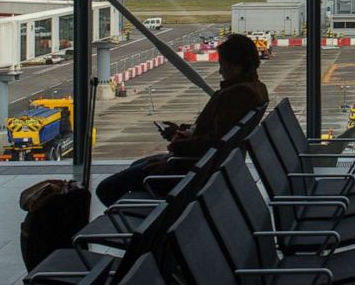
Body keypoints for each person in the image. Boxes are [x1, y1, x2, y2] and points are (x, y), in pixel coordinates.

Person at [95, 33, 269, 207]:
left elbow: (213, 143)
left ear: (236, 66)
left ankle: (151, 223)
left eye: (222, 65)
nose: (220, 71)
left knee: (105, 189)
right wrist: (182, 132)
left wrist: (177, 144)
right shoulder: (256, 90)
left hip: (192, 170)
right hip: (205, 167)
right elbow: (218, 133)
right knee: (137, 166)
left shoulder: (237, 94)